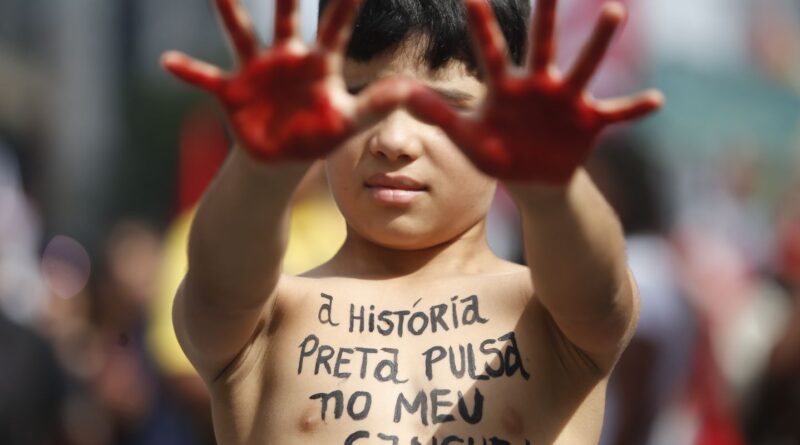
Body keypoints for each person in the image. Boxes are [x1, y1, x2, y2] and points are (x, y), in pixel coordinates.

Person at [160, 0, 663, 443]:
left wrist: (555, 186)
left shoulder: (547, 315)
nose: (394, 140)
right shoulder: (270, 318)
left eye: (443, 108)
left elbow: (600, 295)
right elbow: (216, 292)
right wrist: (260, 168)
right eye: (359, 97)